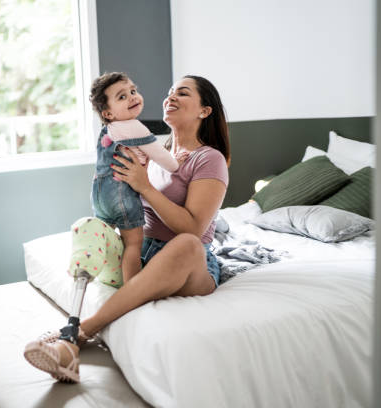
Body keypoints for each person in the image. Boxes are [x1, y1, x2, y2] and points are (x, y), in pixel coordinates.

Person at [24, 75, 230, 383]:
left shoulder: (209, 159)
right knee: (87, 226)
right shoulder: (153, 150)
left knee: (186, 243)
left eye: (183, 94)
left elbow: (194, 228)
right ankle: (87, 304)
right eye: (170, 91)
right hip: (142, 252)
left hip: (188, 262)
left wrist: (144, 186)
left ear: (204, 111)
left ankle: (75, 336)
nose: (170, 97)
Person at [88, 72, 186, 285]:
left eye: (133, 91)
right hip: (121, 194)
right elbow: (166, 160)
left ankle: (94, 274)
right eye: (122, 97)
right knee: (133, 243)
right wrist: (177, 161)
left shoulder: (108, 130)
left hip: (99, 194)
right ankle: (132, 288)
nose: (133, 97)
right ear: (108, 113)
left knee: (105, 238)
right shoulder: (135, 127)